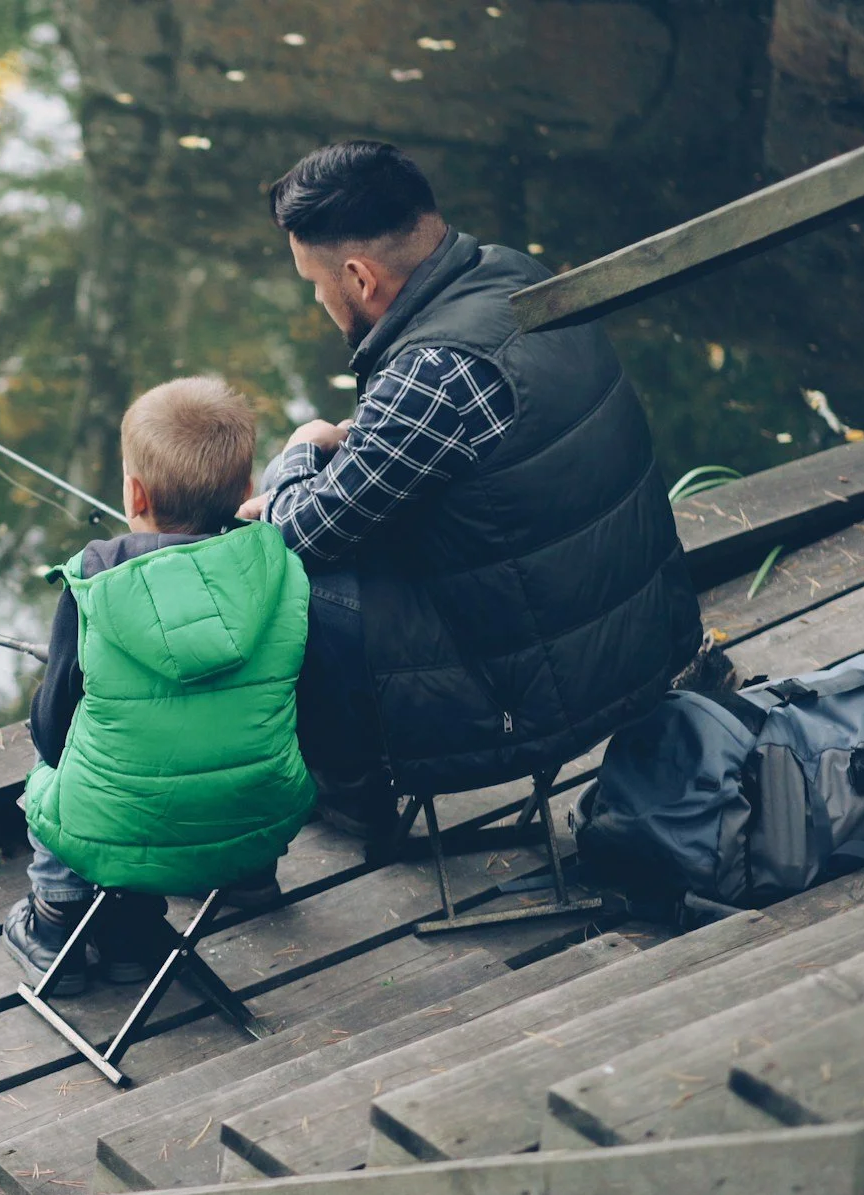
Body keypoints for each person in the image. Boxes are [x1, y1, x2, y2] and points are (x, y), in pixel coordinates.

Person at [238, 141, 699, 828]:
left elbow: (295, 537)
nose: (317, 299)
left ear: (360, 277)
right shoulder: (513, 275)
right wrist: (358, 443)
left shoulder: (433, 373)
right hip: (637, 641)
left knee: (275, 582)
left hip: (540, 697)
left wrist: (298, 454)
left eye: (315, 282)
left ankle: (349, 791)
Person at [3, 377, 317, 995]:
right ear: (246, 492)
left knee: (54, 765)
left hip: (115, 834)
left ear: (134, 492)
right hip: (260, 823)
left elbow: (53, 730)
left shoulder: (93, 581)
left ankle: (57, 922)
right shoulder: (282, 569)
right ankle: (163, 917)